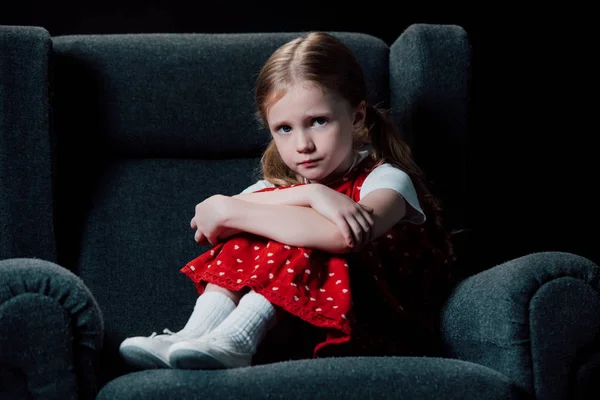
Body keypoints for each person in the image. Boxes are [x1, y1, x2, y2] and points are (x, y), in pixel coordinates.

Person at [119, 31, 456, 370]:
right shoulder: (277, 188)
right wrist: (310, 192)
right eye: (284, 129)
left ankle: (236, 340)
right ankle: (195, 334)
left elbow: (343, 236)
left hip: (373, 324)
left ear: (356, 117)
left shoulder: (385, 180)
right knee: (251, 233)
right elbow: (210, 219)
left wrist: (240, 207)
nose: (303, 144)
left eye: (318, 122)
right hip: (294, 330)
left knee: (295, 234)